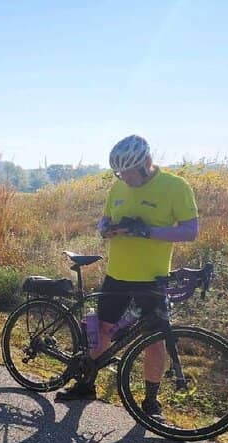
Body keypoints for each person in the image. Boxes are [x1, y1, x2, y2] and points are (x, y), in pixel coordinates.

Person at [55, 135, 199, 419]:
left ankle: (151, 403)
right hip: (117, 274)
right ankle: (86, 385)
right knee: (103, 331)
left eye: (130, 172)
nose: (126, 178)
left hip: (152, 278)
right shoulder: (118, 186)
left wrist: (148, 232)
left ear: (147, 163)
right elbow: (104, 219)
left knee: (155, 341)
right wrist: (106, 229)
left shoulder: (175, 187)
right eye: (120, 173)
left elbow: (190, 231)